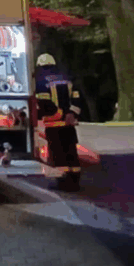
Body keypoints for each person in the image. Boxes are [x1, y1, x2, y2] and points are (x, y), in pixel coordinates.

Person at [34, 53, 82, 190]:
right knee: (71, 152)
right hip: (69, 124)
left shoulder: (41, 80)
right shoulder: (66, 77)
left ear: (40, 65)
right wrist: (71, 114)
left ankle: (63, 182)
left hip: (54, 125)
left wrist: (58, 114)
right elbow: (77, 98)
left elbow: (44, 102)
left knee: (58, 155)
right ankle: (75, 182)